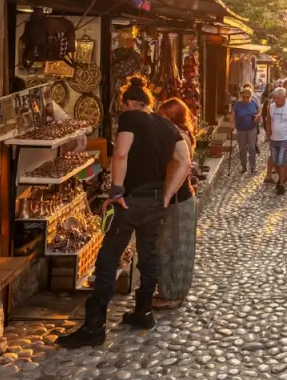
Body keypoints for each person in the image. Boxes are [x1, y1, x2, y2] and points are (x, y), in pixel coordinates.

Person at [58, 76, 191, 348]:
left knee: (108, 258)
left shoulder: (130, 119)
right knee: (149, 253)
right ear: (148, 102)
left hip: (130, 200)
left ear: (129, 103)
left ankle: (95, 327)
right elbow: (185, 161)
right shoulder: (166, 125)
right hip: (155, 200)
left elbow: (120, 154)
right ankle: (143, 312)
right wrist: (166, 195)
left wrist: (115, 191)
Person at [154, 98, 198, 310]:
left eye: (162, 117)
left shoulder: (178, 137)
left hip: (178, 199)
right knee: (170, 246)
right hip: (180, 198)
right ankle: (169, 291)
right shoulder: (179, 134)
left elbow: (179, 167)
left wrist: (166, 195)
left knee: (174, 247)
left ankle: (173, 294)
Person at [12, 76, 87, 185]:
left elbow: (74, 130)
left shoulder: (40, 105)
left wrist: (75, 138)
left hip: (40, 172)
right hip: (27, 173)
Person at [265, 87, 287, 195]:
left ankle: (282, 185)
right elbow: (268, 121)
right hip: (274, 139)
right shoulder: (271, 107)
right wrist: (269, 135)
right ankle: (281, 178)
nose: (276, 101)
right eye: (274, 98)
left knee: (282, 161)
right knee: (275, 161)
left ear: (284, 98)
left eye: (278, 99)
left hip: (285, 139)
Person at [231, 86, 261, 174]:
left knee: (252, 147)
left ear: (250, 96)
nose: (246, 99)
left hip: (252, 128)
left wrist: (258, 116)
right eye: (244, 97)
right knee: (242, 148)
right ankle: (244, 166)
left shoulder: (253, 103)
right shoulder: (237, 104)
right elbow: (233, 114)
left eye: (248, 97)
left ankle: (253, 167)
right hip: (241, 129)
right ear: (241, 96)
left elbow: (259, 110)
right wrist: (231, 124)